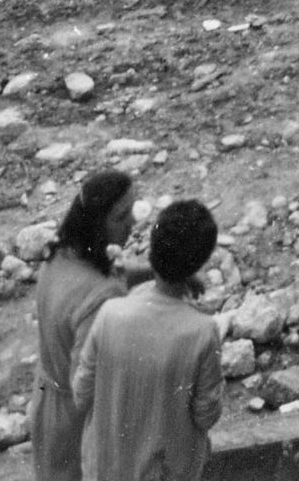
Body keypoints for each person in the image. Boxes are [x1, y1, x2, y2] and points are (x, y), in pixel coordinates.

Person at [72, 197, 226, 481]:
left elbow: (81, 394)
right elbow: (206, 415)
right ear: (199, 262)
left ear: (153, 250)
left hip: (103, 470)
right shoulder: (203, 331)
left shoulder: (110, 313)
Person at [30, 168, 136, 481]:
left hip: (47, 400)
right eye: (121, 216)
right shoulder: (100, 298)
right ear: (97, 224)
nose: (132, 222)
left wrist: (158, 271)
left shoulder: (61, 255)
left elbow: (115, 274)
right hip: (76, 424)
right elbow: (86, 387)